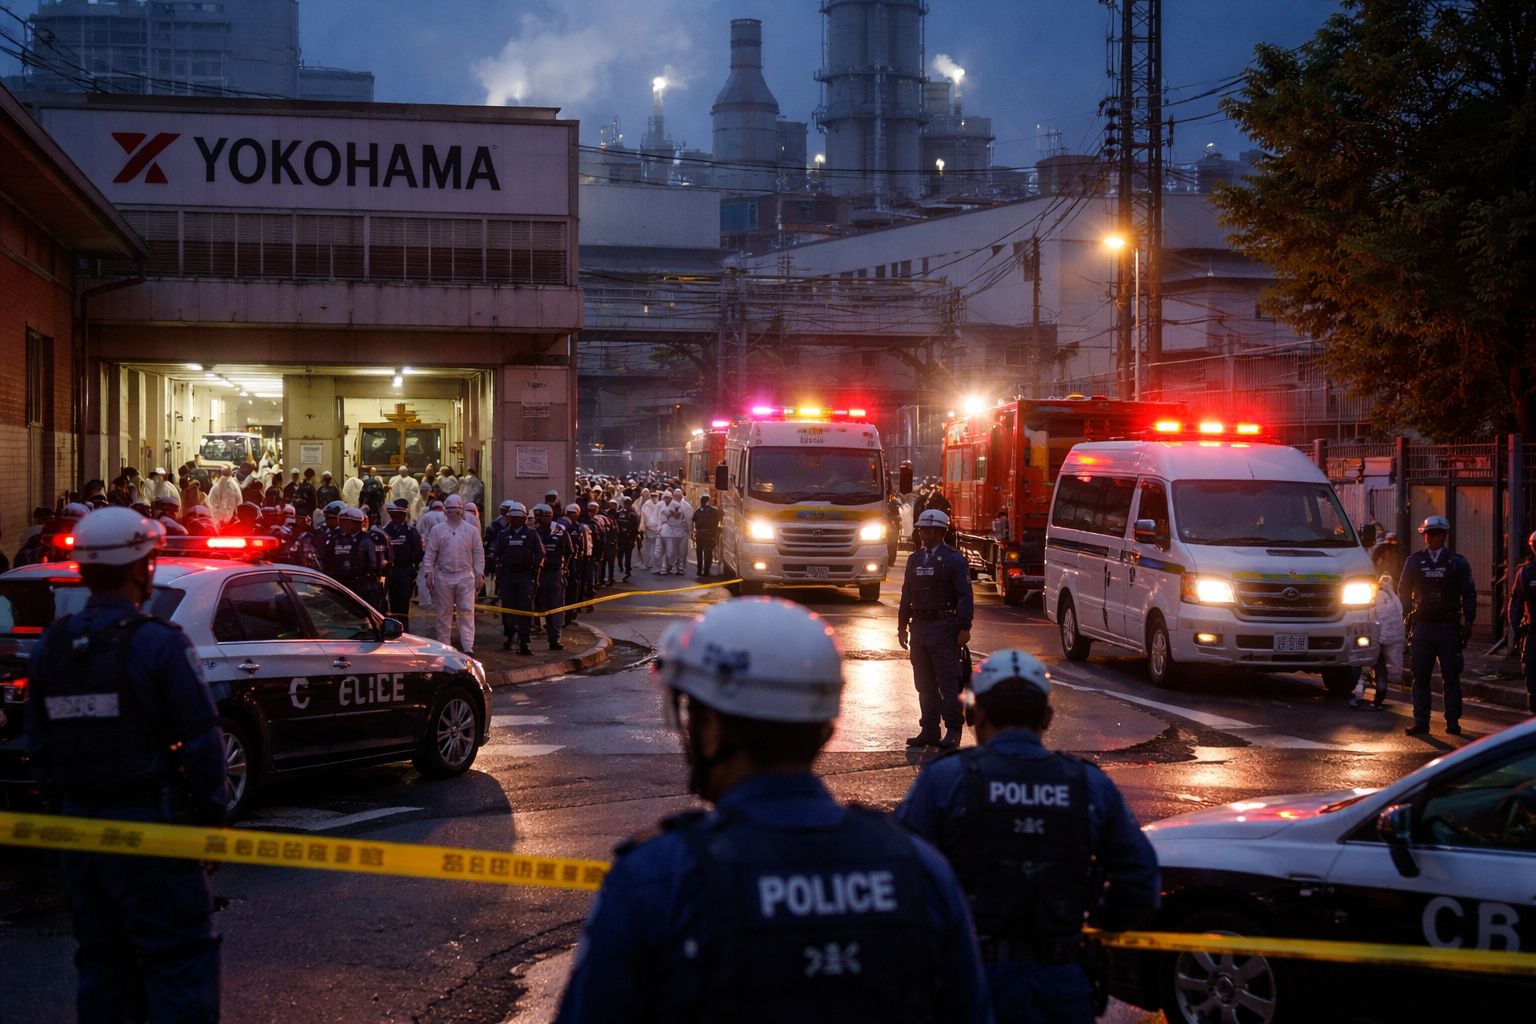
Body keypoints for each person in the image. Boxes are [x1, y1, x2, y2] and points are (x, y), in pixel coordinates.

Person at [555, 598, 989, 1024]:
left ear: (714, 730)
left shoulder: (657, 878)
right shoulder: (919, 870)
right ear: (824, 726)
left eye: (693, 718)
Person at [26, 507, 227, 1021]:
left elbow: (40, 745)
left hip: (79, 832)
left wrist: (60, 815)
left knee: (102, 965)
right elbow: (203, 742)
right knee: (178, 961)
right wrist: (210, 824)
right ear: (143, 568)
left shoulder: (52, 647)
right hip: (150, 831)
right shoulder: (158, 644)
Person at [896, 648, 1160, 1024]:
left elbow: (898, 874)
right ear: (1047, 717)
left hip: (971, 982)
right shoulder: (1087, 784)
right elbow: (1141, 879)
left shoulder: (946, 779)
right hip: (1062, 984)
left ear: (976, 714)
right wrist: (1099, 924)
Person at [898, 508, 973, 749]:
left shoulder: (953, 559)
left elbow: (964, 595)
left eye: (928, 530)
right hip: (919, 625)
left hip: (943, 627)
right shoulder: (915, 559)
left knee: (948, 681)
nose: (923, 533)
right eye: (921, 529)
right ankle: (929, 729)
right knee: (924, 683)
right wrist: (902, 625)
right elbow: (906, 594)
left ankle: (953, 730)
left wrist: (964, 626)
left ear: (941, 532)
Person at [1398, 514, 1476, 736]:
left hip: (1448, 627)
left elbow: (1469, 593)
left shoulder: (1457, 563)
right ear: (1424, 536)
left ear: (1445, 535)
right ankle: (1421, 721)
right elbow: (1403, 591)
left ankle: (1453, 722)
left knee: (1451, 676)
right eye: (1429, 534)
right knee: (1420, 675)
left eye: (1437, 533)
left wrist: (1469, 621)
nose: (1433, 538)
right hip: (1422, 627)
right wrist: (1402, 618)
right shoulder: (1414, 562)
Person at [421, 493, 485, 654]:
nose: (453, 513)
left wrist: (479, 574)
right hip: (443, 575)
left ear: (461, 510)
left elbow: (478, 553)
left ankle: (468, 646)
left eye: (455, 510)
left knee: (467, 611)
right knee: (444, 612)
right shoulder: (438, 530)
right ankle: (444, 645)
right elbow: (430, 553)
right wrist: (428, 573)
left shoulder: (470, 530)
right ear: (445, 511)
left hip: (465, 575)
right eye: (449, 510)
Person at [494, 502, 543, 654]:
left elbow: (540, 553)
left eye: (518, 517)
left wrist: (534, 568)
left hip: (524, 575)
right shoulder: (503, 534)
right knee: (508, 609)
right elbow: (497, 553)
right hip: (508, 575)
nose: (515, 520)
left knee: (524, 609)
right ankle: (509, 637)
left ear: (524, 518)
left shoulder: (531, 534)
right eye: (512, 517)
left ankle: (525, 642)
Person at [1353, 574, 1405, 710]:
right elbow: (1399, 617)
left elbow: (1369, 616)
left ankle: (1358, 697)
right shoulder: (1394, 597)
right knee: (1382, 669)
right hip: (1391, 639)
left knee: (1365, 667)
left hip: (1376, 638)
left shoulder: (1376, 596)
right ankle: (1379, 698)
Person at [325, 507, 383, 612]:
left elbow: (375, 565)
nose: (341, 524)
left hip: (363, 588)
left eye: (344, 522)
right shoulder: (336, 538)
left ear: (356, 523)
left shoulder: (368, 540)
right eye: (340, 521)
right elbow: (327, 560)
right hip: (340, 586)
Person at [532, 503, 572, 651]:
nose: (538, 519)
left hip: (555, 574)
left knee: (555, 607)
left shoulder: (560, 531)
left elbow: (570, 551)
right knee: (538, 604)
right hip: (539, 574)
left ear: (549, 516)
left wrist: (564, 567)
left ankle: (555, 638)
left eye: (540, 516)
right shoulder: (533, 531)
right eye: (536, 516)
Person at [382, 499, 423, 631]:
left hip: (405, 571)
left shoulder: (411, 531)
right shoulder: (386, 530)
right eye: (392, 514)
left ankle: (405, 630)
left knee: (404, 604)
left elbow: (418, 552)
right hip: (391, 572)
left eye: (397, 514)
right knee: (392, 604)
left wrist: (409, 563)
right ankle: (394, 629)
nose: (394, 517)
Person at [1508, 530, 1536, 714]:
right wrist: (1518, 630)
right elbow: (1515, 603)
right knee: (1533, 679)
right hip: (1533, 633)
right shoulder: (1526, 573)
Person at [692, 493, 723, 577]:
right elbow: (717, 522)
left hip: (699, 534)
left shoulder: (697, 511)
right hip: (709, 534)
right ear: (708, 501)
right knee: (708, 553)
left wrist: (694, 533)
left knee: (699, 552)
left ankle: (699, 569)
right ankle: (706, 570)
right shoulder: (714, 511)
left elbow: (694, 521)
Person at [659, 490, 689, 575]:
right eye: (676, 495)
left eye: (679, 495)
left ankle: (680, 568)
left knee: (682, 552)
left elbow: (688, 518)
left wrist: (688, 529)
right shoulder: (665, 505)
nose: (678, 497)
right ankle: (666, 567)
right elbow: (662, 518)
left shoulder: (686, 506)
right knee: (669, 551)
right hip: (669, 531)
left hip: (682, 532)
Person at [613, 495, 639, 582]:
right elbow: (615, 524)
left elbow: (635, 528)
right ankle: (620, 567)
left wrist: (633, 538)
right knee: (619, 555)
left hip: (629, 538)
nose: (627, 504)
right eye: (625, 503)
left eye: (629, 503)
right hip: (620, 538)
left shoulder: (633, 514)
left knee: (628, 556)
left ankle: (628, 570)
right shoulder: (618, 513)